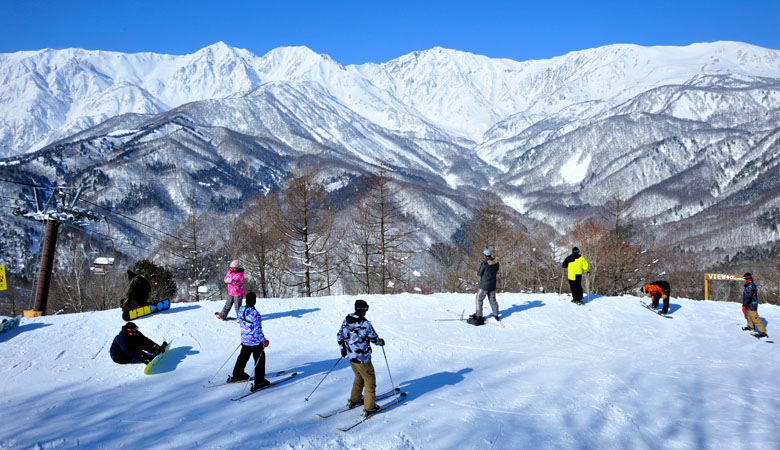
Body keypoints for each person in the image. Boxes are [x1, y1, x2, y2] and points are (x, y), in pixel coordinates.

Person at [337, 299, 385, 417]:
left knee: (359, 376)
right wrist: (381, 342)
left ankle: (355, 400)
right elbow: (374, 338)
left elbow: (340, 335)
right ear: (363, 310)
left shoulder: (347, 320)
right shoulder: (365, 324)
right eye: (366, 309)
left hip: (351, 357)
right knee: (370, 382)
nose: (366, 312)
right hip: (363, 359)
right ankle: (369, 407)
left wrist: (343, 350)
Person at [229, 292, 270, 391]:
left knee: (243, 357)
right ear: (254, 301)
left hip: (245, 340)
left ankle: (238, 374)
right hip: (255, 342)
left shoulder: (241, 309)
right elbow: (258, 331)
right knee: (260, 360)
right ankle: (259, 381)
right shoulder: (255, 314)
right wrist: (264, 341)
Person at [471, 248, 500, 323]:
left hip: (484, 285)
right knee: (492, 300)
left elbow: (479, 274)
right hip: (493, 284)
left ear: (485, 255)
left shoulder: (485, 263)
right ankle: (496, 315)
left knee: (479, 299)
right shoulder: (496, 262)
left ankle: (479, 315)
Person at [742, 273, 768, 338]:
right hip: (748, 304)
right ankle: (750, 327)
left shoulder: (751, 285)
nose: (744, 279)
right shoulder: (748, 284)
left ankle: (763, 332)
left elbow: (748, 296)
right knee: (748, 316)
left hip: (751, 304)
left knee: (755, 317)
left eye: (744, 278)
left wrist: (744, 305)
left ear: (747, 278)